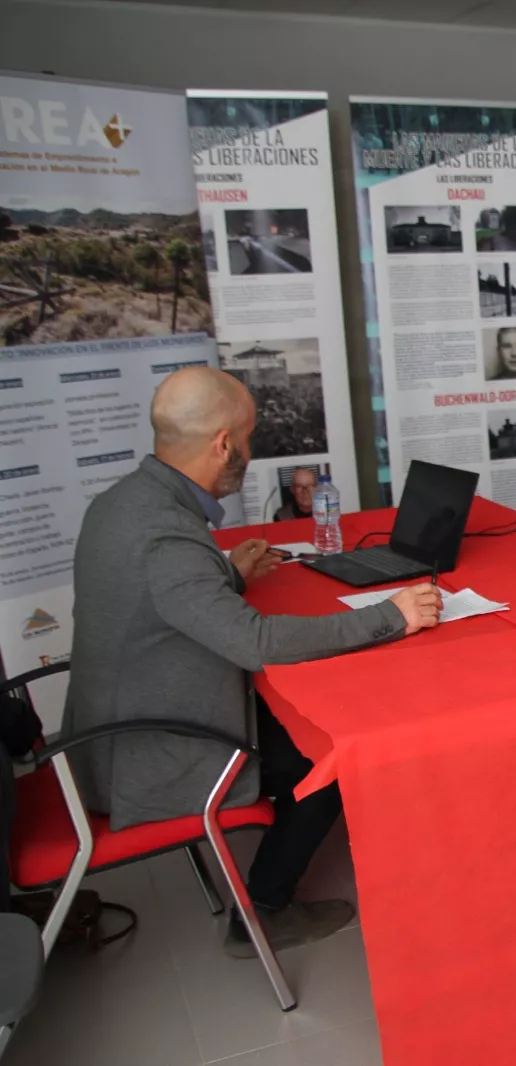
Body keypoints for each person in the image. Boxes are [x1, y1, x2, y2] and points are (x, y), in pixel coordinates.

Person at [62, 367, 443, 957]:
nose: (249, 447)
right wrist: (392, 616)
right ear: (223, 445)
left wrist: (226, 574)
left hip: (119, 724)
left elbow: (161, 600)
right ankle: (263, 913)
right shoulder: (165, 535)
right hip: (146, 749)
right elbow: (255, 643)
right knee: (325, 756)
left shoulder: (123, 501)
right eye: (248, 436)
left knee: (301, 725)